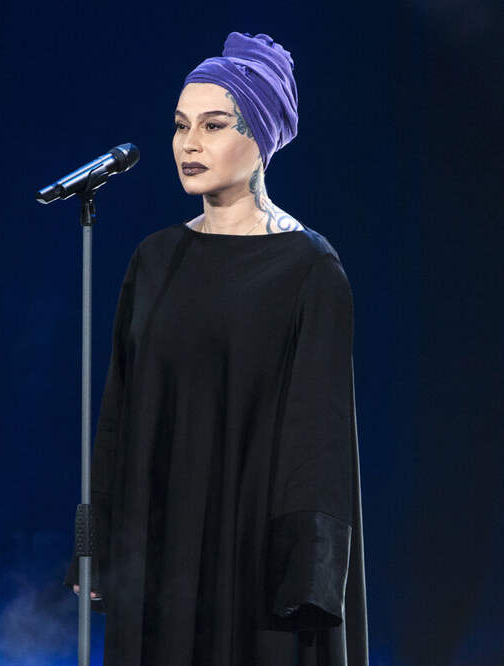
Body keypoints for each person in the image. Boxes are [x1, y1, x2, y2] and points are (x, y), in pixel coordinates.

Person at [65, 31, 368, 665]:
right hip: (158, 548)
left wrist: (308, 576)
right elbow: (118, 412)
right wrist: (97, 548)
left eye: (214, 125)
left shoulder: (309, 269)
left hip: (251, 559)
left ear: (261, 136)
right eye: (180, 126)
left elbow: (319, 437)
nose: (190, 143)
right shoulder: (154, 260)